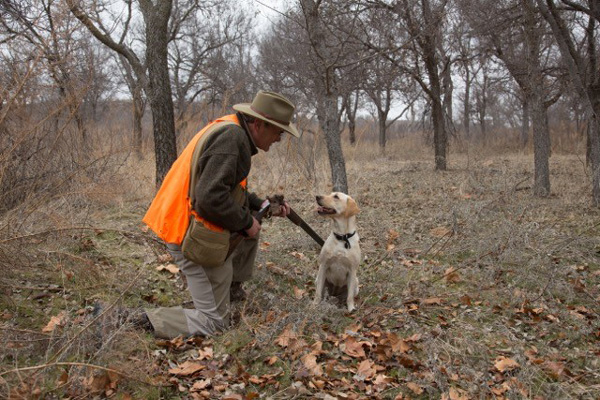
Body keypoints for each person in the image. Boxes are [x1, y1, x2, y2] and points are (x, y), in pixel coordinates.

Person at [141, 91, 300, 338]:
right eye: (279, 131)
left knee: (250, 229)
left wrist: (262, 204)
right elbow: (210, 197)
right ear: (259, 124)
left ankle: (230, 291)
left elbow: (228, 188)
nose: (280, 138)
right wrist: (246, 221)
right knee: (213, 323)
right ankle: (131, 320)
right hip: (187, 231)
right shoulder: (231, 138)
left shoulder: (233, 129)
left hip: (184, 220)